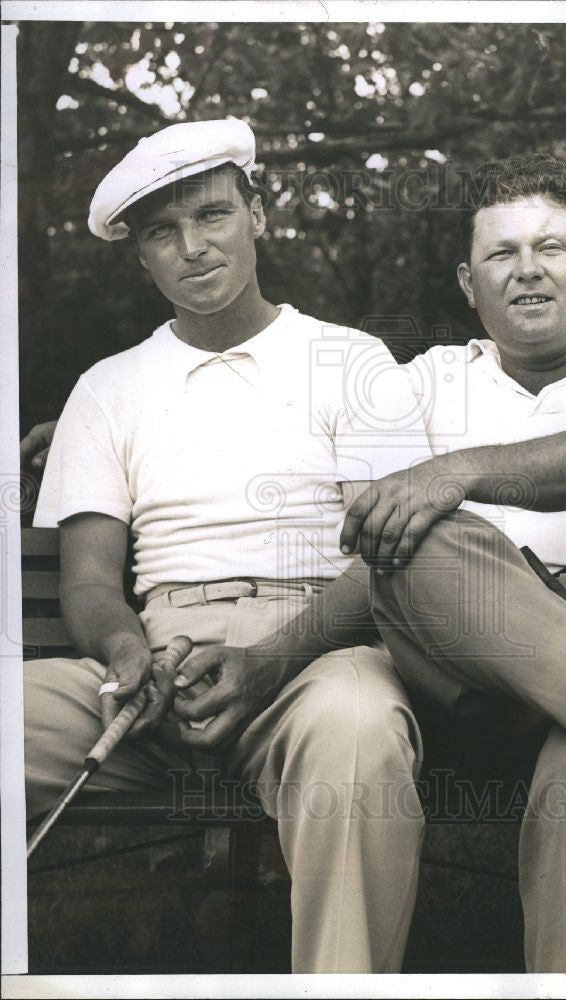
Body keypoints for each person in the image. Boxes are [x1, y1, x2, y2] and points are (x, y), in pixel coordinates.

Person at [23, 145, 566, 973]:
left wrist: (452, 470)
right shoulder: (424, 382)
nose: (527, 271)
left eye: (550, 248)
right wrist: (86, 432)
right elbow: (305, 438)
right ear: (466, 284)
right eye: (500, 253)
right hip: (495, 659)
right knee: (419, 535)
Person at [23, 117, 432, 974]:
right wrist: (127, 651)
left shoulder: (349, 361)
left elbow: (388, 562)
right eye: (162, 232)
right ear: (141, 258)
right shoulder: (107, 387)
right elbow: (91, 583)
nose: (192, 247)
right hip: (157, 675)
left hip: (318, 658)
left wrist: (274, 660)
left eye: (211, 215)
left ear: (257, 212)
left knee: (358, 729)